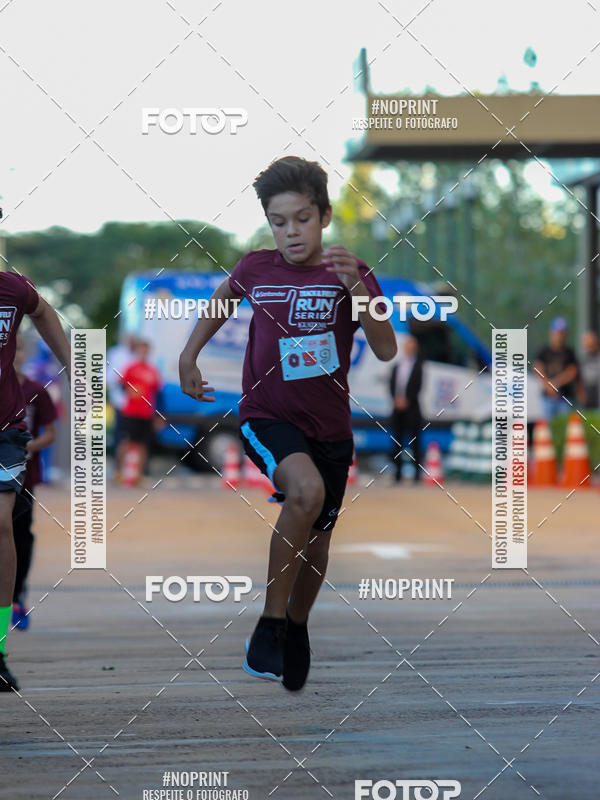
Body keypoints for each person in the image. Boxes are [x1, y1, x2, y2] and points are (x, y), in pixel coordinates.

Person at [179, 155, 396, 691]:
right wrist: (189, 358)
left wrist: (361, 295)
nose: (290, 231)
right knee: (305, 492)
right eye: (279, 222)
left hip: (331, 428)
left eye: (301, 218)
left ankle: (296, 627)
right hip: (266, 415)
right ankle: (270, 626)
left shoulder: (351, 270)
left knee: (317, 543)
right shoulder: (255, 268)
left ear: (323, 216)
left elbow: (388, 349)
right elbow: (220, 305)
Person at [0, 272, 70, 692]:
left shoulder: (12, 288)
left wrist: (72, 365)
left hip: (4, 431)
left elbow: (43, 311)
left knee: (2, 524)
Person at [10, 334, 59, 630]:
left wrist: (26, 446)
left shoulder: (35, 390)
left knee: (20, 537)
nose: (14, 353)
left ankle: (17, 596)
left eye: (19, 348)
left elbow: (51, 433)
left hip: (24, 478)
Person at [117, 339, 162, 484]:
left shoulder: (152, 370)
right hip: (131, 412)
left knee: (143, 444)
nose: (143, 352)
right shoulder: (131, 368)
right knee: (127, 441)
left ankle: (139, 474)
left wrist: (159, 416)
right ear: (138, 351)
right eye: (141, 349)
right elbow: (121, 385)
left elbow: (158, 393)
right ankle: (119, 471)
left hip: (146, 412)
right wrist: (129, 391)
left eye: (146, 350)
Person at [389, 334, 423, 483]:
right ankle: (397, 473)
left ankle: (416, 474)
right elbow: (391, 385)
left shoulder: (419, 367)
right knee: (397, 441)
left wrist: (407, 400)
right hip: (397, 408)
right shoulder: (397, 366)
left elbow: (418, 386)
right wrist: (396, 400)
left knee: (415, 441)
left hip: (412, 409)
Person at [534, 318, 578, 420]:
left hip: (565, 398)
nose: (559, 336)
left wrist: (556, 383)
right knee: (545, 429)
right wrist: (548, 385)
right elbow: (537, 369)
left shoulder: (570, 352)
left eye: (562, 333)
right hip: (547, 398)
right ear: (551, 333)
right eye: (557, 332)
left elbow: (572, 371)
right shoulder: (543, 351)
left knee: (565, 427)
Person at [107, 333, 138, 458]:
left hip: (137, 402)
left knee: (135, 435)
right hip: (121, 400)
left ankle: (133, 467)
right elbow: (108, 375)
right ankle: (118, 466)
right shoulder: (116, 353)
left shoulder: (138, 355)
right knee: (120, 433)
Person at [578, 331, 600, 409]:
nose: (589, 347)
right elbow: (579, 378)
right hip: (587, 395)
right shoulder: (582, 359)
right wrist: (581, 392)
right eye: (587, 345)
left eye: (591, 344)